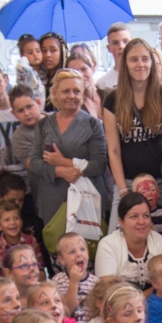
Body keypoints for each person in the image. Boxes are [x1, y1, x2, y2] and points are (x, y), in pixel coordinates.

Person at [29, 70, 111, 253]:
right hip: (53, 198)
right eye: (66, 91)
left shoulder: (93, 125)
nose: (71, 96)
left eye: (76, 91)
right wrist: (59, 171)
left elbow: (99, 165)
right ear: (55, 93)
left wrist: (64, 161)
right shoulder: (43, 124)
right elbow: (33, 162)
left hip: (87, 200)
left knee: (87, 253)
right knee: (58, 253)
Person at [103, 38, 162, 207]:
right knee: (120, 224)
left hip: (160, 182)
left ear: (152, 63)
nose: (140, 64)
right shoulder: (112, 99)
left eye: (145, 59)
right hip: (126, 182)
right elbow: (113, 150)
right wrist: (123, 190)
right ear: (125, 64)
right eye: (133, 59)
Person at [94, 192, 162, 290]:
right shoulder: (108, 245)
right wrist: (155, 289)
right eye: (134, 216)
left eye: (146, 216)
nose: (141, 222)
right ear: (121, 222)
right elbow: (107, 291)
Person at [14, 34, 45, 99]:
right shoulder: (24, 71)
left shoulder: (45, 71)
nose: (35, 54)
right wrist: (23, 59)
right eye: (30, 52)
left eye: (38, 51)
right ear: (23, 56)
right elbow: (21, 66)